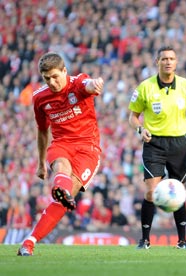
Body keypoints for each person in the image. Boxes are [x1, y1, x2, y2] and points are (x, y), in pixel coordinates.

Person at [17, 52, 104, 256]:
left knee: (61, 198)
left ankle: (30, 241)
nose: (52, 82)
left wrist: (96, 83)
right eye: (47, 78)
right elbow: (41, 131)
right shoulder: (39, 98)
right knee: (61, 168)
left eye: (56, 76)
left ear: (65, 71)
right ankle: (60, 189)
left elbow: (89, 84)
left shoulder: (78, 82)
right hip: (61, 144)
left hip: (87, 148)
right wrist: (40, 163)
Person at [128, 46, 186, 250]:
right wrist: (140, 130)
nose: (168, 62)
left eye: (171, 58)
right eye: (164, 59)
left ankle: (182, 240)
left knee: (178, 192)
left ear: (176, 62)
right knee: (151, 192)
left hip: (178, 144)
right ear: (157, 62)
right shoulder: (145, 87)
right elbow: (133, 117)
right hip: (153, 143)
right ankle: (145, 240)